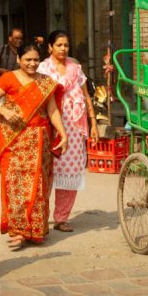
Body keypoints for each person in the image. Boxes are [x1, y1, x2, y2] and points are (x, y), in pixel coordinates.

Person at [0, 42, 68, 249]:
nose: (32, 64)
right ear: (18, 60)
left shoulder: (45, 82)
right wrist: (4, 112)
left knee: (38, 185)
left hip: (39, 139)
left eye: (36, 60)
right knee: (14, 184)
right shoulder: (8, 78)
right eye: (27, 59)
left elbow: (53, 111)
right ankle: (19, 231)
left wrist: (63, 134)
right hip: (13, 139)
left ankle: (36, 229)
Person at [37, 30, 98, 232]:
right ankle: (40, 217)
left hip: (73, 127)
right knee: (46, 171)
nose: (63, 49)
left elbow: (86, 95)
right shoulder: (42, 69)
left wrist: (93, 123)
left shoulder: (75, 68)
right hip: (49, 125)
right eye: (59, 45)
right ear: (50, 47)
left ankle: (61, 217)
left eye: (66, 45)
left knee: (70, 172)